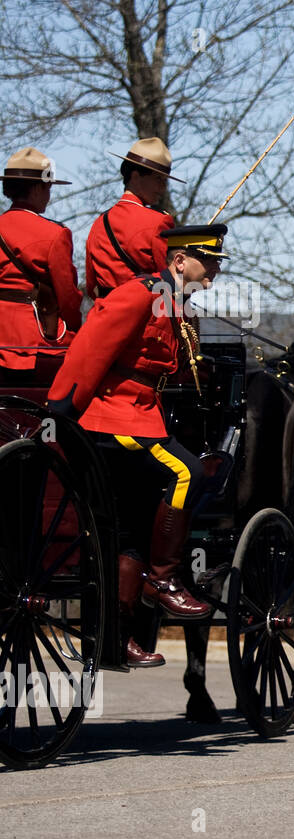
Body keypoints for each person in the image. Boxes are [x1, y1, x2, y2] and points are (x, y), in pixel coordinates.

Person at [46, 223, 229, 667]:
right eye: (208, 262)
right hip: (113, 416)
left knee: (129, 530)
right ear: (180, 260)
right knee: (187, 472)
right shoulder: (139, 293)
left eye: (219, 264)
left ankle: (116, 639)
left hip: (142, 414)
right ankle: (164, 582)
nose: (215, 272)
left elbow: (173, 367)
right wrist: (61, 412)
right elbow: (91, 348)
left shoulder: (176, 304)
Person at [0, 147, 81, 381]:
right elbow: (67, 297)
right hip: (32, 343)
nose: (49, 194)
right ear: (37, 188)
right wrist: (74, 328)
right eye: (48, 187)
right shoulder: (54, 234)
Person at [85, 137, 182, 299]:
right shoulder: (158, 222)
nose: (163, 187)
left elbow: (91, 286)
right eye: (158, 179)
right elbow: (172, 283)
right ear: (135, 176)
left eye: (165, 181)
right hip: (143, 318)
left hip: (104, 316)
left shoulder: (99, 223)